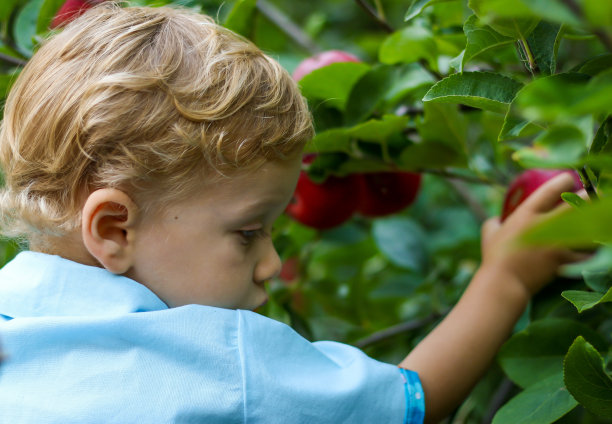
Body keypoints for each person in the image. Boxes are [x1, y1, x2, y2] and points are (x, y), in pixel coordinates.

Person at [0, 3, 586, 423]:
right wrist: (506, 277)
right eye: (249, 232)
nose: (271, 264)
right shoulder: (223, 360)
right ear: (113, 228)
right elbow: (414, 400)